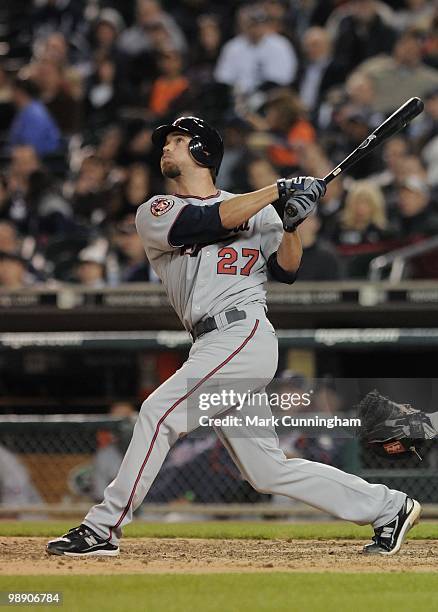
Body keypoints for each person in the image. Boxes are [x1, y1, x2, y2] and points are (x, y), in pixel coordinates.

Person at [47, 116, 420, 558]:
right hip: (212, 342)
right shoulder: (156, 211)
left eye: (179, 141)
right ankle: (389, 506)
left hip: (242, 335)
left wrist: (290, 223)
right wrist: (277, 192)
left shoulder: (259, 211)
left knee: (158, 413)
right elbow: (208, 221)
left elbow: (286, 270)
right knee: (266, 471)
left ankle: (103, 527)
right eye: (167, 141)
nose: (167, 148)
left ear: (203, 152)